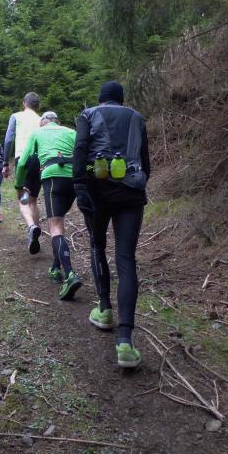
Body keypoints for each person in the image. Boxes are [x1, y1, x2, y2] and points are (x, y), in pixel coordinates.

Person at [73, 80, 151, 369]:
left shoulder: (88, 115)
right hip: (131, 194)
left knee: (97, 246)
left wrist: (80, 184)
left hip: (98, 192)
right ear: (121, 100)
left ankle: (104, 309)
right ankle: (125, 341)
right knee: (126, 260)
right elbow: (146, 163)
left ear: (101, 99)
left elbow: (81, 148)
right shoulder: (137, 118)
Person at [15, 111, 82, 300]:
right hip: (75, 178)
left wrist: (19, 186)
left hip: (53, 177)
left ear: (43, 122)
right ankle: (55, 267)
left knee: (56, 226)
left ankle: (70, 274)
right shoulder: (71, 132)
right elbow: (84, 155)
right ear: (58, 122)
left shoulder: (38, 132)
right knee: (59, 221)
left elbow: (23, 162)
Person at [2, 93, 43, 254]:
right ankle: (35, 236)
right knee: (33, 200)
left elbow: (8, 139)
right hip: (39, 160)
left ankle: (31, 227)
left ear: (24, 103)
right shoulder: (41, 119)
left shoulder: (16, 116)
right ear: (37, 106)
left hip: (23, 159)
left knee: (22, 198)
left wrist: (5, 162)